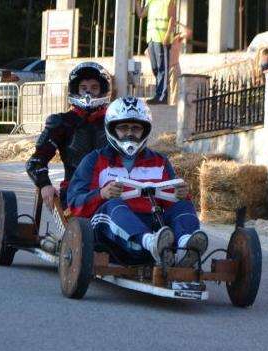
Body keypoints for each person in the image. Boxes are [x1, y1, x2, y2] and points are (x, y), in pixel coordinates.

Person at [67, 96, 208, 267]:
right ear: (111, 129)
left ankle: (186, 247)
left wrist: (179, 194)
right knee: (114, 204)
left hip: (153, 226)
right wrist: (102, 194)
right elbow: (74, 206)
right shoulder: (94, 160)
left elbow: (171, 201)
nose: (129, 133)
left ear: (145, 130)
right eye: (123, 128)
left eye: (136, 128)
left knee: (183, 204)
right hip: (106, 236)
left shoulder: (159, 162)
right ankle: (150, 243)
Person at [26, 62, 111, 210]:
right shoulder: (61, 122)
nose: (88, 93)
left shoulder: (115, 123)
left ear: (103, 90)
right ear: (75, 90)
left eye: (94, 88)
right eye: (83, 88)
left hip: (111, 191)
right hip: (74, 192)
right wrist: (45, 184)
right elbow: (35, 161)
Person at [135, 0, 176, 105]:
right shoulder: (150, 1)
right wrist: (137, 2)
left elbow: (172, 18)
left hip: (162, 38)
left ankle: (162, 96)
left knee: (162, 68)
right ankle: (159, 94)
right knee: (155, 68)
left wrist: (168, 35)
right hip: (151, 38)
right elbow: (140, 14)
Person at [168, 25, 192, 106]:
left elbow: (188, 32)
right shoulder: (166, 40)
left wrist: (178, 23)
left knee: (175, 89)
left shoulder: (177, 38)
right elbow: (147, 52)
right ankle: (169, 104)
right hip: (167, 67)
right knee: (168, 89)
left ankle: (174, 105)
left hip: (174, 66)